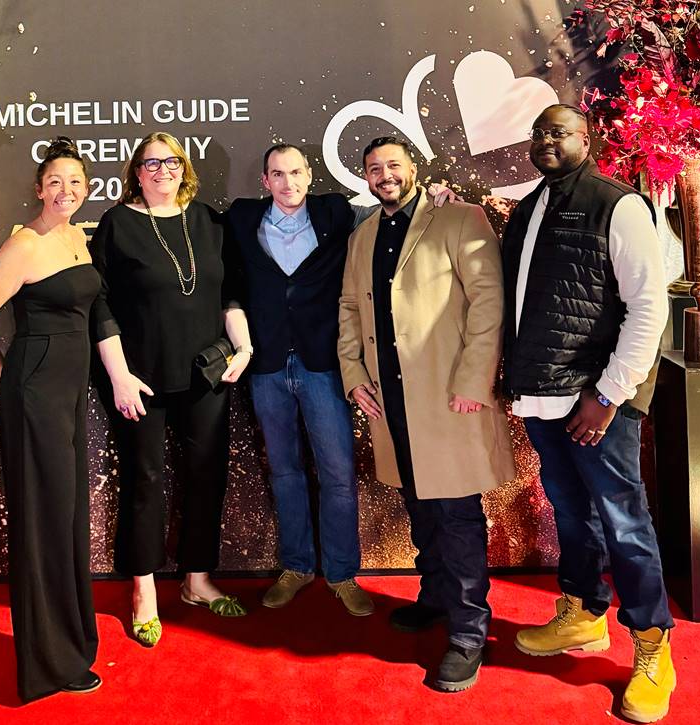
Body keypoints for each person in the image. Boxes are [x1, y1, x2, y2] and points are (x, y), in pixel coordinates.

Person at [224, 144, 457, 616]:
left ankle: (342, 573)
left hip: (324, 365)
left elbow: (394, 210)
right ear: (265, 181)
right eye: (277, 174)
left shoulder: (337, 213)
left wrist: (435, 195)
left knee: (337, 475)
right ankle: (296, 567)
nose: (288, 183)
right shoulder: (242, 219)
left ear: (309, 175)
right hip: (267, 366)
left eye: (295, 172)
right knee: (284, 472)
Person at [501, 104, 674, 723]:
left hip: (597, 401)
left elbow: (648, 308)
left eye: (559, 131)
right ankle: (583, 612)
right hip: (542, 396)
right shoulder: (530, 207)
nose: (545, 140)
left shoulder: (616, 203)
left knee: (624, 522)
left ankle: (653, 645)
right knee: (572, 513)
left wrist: (608, 396)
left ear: (586, 139)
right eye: (538, 132)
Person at [338, 136, 515, 691]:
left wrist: (473, 380)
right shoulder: (363, 234)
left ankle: (468, 634)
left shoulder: (460, 217)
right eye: (374, 169)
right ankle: (436, 595)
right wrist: (353, 375)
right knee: (419, 505)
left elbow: (489, 301)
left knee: (456, 516)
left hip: (448, 396)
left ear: (413, 167)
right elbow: (349, 308)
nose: (384, 175)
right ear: (366, 178)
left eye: (393, 165)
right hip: (390, 400)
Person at [90, 132, 252, 647]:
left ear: (185, 168)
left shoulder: (208, 221)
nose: (163, 170)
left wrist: (244, 347)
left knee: (207, 476)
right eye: (151, 163)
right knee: (145, 480)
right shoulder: (117, 224)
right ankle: (143, 590)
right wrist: (118, 375)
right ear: (136, 173)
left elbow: (230, 295)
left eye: (172, 161)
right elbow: (99, 304)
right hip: (139, 377)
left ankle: (197, 580)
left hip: (206, 374)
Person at [0, 137, 101, 701]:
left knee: (67, 519)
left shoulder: (75, 237)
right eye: (55, 182)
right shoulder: (24, 244)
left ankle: (72, 642)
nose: (66, 190)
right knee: (44, 522)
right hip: (36, 395)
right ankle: (49, 664)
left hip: (67, 395)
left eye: (75, 182)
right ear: (39, 189)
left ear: (86, 188)